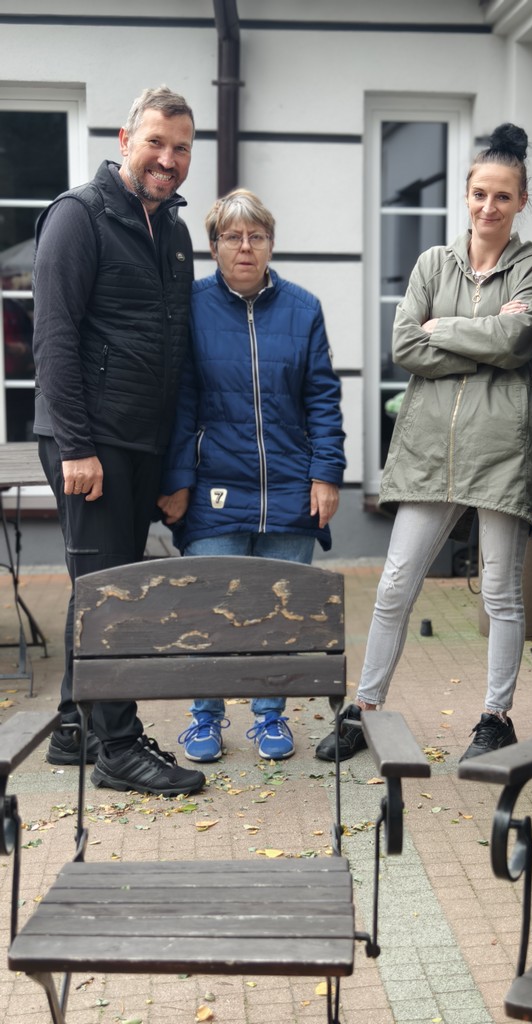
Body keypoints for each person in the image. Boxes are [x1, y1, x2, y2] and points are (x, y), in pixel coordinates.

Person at [315, 123, 532, 764]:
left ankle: (495, 718)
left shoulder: (531, 264)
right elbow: (404, 345)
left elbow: (515, 343)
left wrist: (442, 327)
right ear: (466, 194)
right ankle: (364, 709)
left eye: (502, 196)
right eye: (479, 193)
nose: (488, 207)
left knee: (501, 594)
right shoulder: (432, 264)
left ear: (521, 201)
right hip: (429, 449)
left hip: (500, 451)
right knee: (394, 585)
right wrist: (483, 337)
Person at [33, 85, 205, 797]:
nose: (168, 158)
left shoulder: (175, 233)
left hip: (140, 444)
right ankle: (120, 750)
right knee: (113, 599)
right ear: (125, 140)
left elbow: (176, 349)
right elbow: (54, 337)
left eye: (182, 148)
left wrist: (171, 462)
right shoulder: (79, 217)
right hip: (90, 443)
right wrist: (77, 447)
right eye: (156, 142)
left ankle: (77, 726)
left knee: (108, 586)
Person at [158, 188, 345, 764]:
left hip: (290, 486)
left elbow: (322, 398)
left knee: (279, 612)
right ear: (214, 246)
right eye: (233, 237)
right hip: (214, 486)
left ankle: (270, 716)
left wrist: (326, 473)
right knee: (208, 609)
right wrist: (176, 479)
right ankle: (205, 718)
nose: (245, 247)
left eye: (256, 236)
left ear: (270, 244)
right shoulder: (191, 306)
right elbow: (179, 402)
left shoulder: (303, 308)